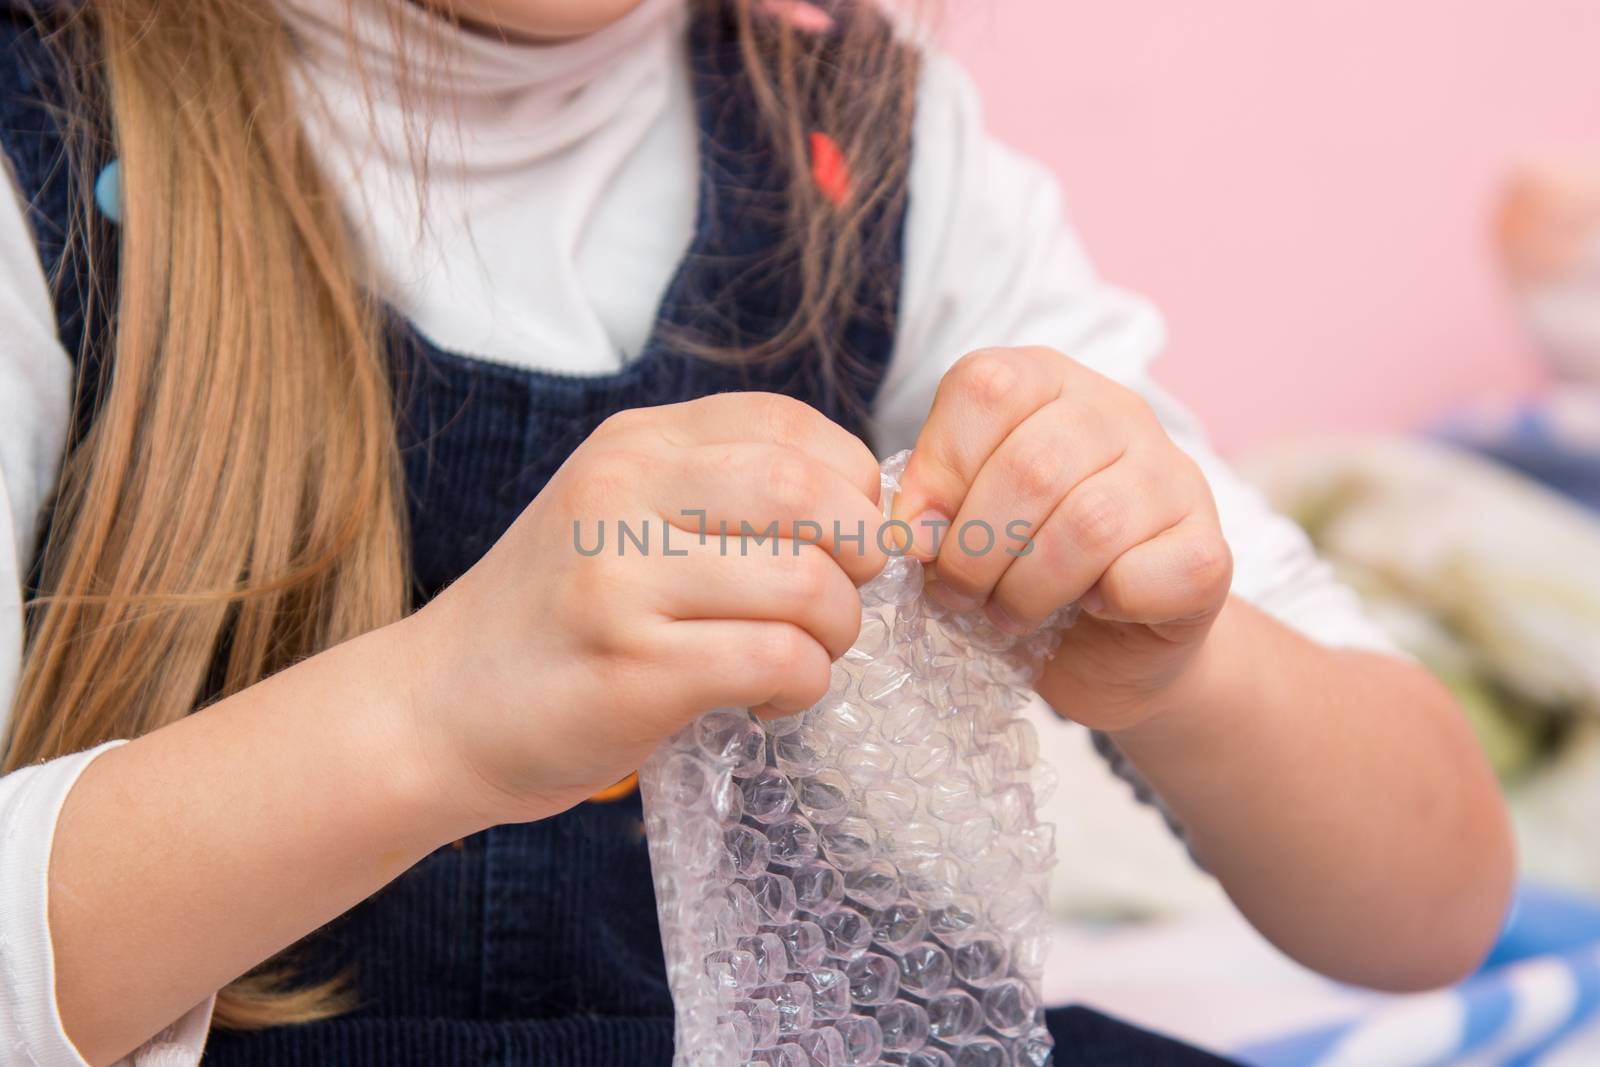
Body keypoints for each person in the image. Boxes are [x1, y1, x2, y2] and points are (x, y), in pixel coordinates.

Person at [0, 0, 1513, 1063]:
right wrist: (434, 714)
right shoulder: (52, 139)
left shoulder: (877, 146)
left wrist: (1180, 674)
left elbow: (1431, 908)